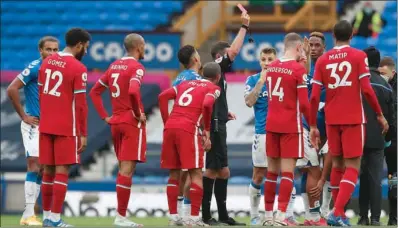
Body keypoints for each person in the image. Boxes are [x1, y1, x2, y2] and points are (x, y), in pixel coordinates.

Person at [309, 20, 388, 227]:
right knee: (352, 167)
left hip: (332, 119)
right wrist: (379, 114)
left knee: (337, 165)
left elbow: (315, 96)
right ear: (352, 35)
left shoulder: (322, 60)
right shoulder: (358, 56)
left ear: (333, 35)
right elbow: (367, 90)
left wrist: (313, 126)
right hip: (353, 118)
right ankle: (337, 211)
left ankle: (340, 213)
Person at [89, 33, 147, 227]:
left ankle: (121, 216)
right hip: (131, 121)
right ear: (139, 46)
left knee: (124, 168)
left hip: (116, 121)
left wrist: (105, 116)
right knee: (126, 170)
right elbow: (132, 91)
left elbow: (94, 91)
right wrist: (138, 113)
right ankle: (121, 217)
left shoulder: (114, 66)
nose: (144, 48)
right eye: (144, 45)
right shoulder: (136, 67)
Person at [201, 11, 250, 226]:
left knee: (223, 171)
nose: (233, 55)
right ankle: (206, 215)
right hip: (214, 127)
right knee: (212, 170)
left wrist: (223, 113)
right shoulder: (217, 67)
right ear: (220, 56)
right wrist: (244, 27)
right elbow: (235, 49)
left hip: (219, 123)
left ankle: (222, 215)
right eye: (228, 53)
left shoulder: (218, 75)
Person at [38, 28, 90, 227]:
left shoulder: (47, 62)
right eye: (85, 47)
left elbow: (42, 93)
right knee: (62, 172)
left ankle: (46, 217)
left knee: (48, 172)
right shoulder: (77, 68)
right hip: (66, 126)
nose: (85, 51)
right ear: (78, 45)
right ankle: (55, 218)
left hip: (46, 124)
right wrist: (83, 133)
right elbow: (81, 104)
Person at [159, 62, 221, 226]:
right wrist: (206, 130)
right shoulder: (213, 88)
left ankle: (174, 217)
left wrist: (167, 122)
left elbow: (162, 97)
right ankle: (194, 218)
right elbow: (207, 104)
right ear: (218, 77)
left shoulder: (184, 84)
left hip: (171, 127)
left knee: (174, 174)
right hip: (189, 128)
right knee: (196, 174)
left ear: (202, 74)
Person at [7, 36, 59, 226]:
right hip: (33, 124)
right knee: (34, 164)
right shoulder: (36, 67)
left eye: (55, 50)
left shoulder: (56, 70)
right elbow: (12, 89)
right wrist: (24, 116)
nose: (52, 53)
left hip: (49, 125)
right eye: (48, 50)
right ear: (40, 51)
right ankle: (28, 213)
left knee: (43, 169)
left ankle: (31, 214)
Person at [263, 33, 310, 226]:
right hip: (290, 125)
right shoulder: (298, 69)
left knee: (271, 173)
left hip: (271, 123)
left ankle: (267, 216)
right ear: (299, 48)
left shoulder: (271, 66)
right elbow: (305, 104)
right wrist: (313, 125)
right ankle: (281, 215)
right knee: (288, 173)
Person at [357, 46, 394, 226]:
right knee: (376, 180)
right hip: (378, 139)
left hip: (358, 136)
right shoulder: (385, 85)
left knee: (361, 177)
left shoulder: (357, 81)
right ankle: (376, 218)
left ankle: (362, 217)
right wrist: (387, 141)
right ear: (377, 63)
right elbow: (391, 117)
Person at [296, 31, 330, 226]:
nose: (315, 48)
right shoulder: (303, 67)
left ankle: (323, 212)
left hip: (328, 127)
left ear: (324, 47)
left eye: (318, 45)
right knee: (309, 170)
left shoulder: (328, 67)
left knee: (328, 170)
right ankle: (311, 214)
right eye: (312, 45)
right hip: (308, 127)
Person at [172, 45, 202, 219]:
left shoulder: (178, 78)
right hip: (190, 128)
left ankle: (177, 214)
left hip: (175, 125)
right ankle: (189, 215)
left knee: (180, 172)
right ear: (196, 59)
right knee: (194, 171)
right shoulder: (197, 79)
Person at [379, 56, 397, 226]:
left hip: (394, 138)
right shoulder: (377, 85)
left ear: (393, 72)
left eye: (385, 73)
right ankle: (370, 216)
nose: (382, 77)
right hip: (377, 136)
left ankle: (393, 216)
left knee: (393, 178)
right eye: (380, 73)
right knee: (370, 175)